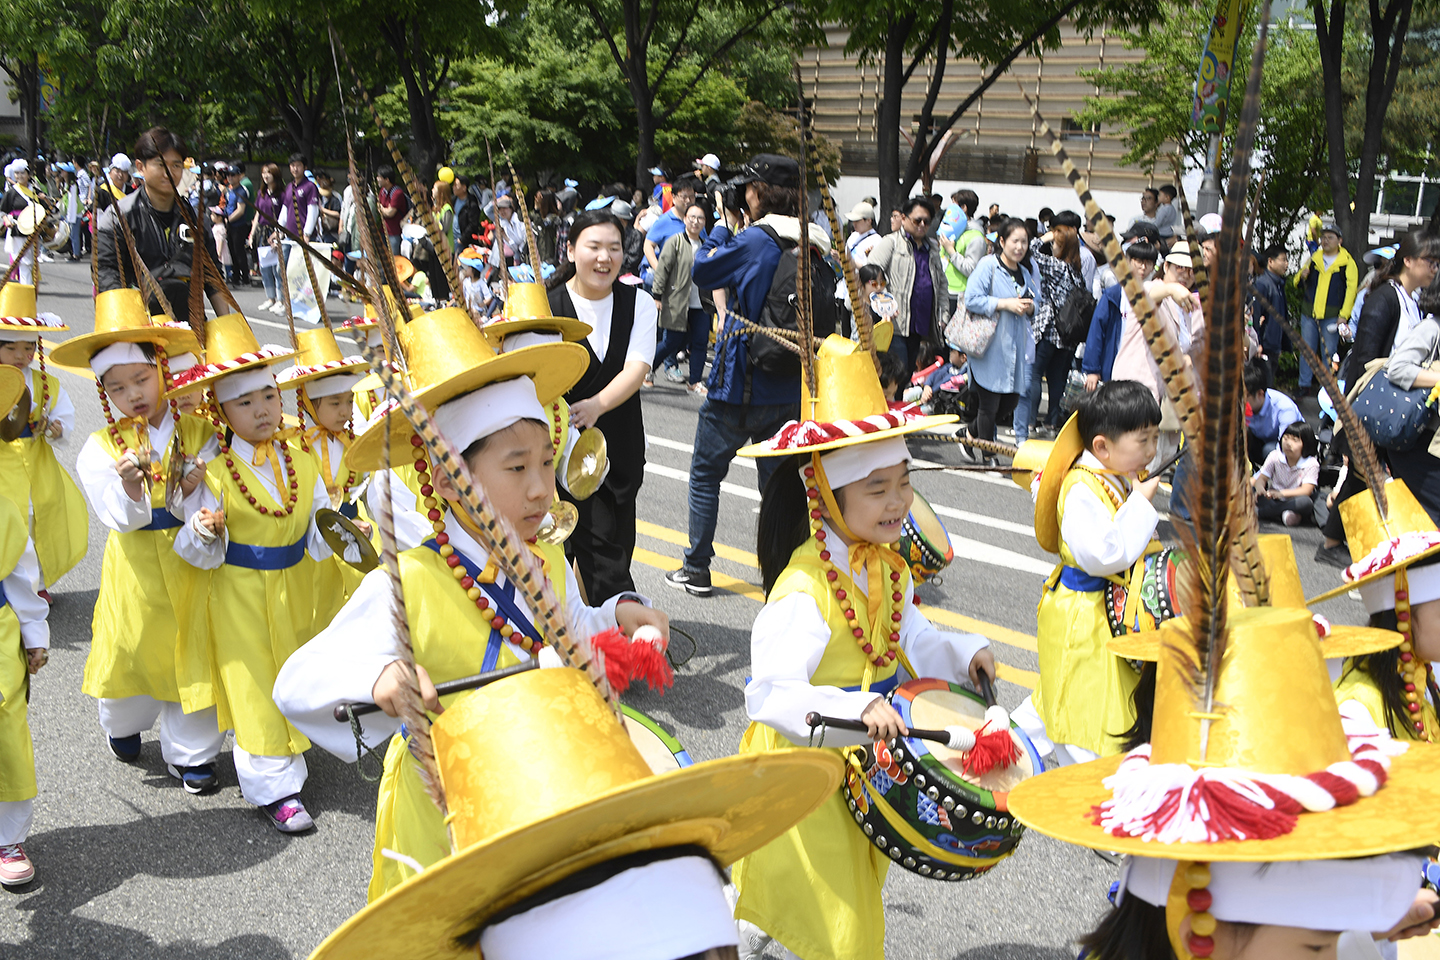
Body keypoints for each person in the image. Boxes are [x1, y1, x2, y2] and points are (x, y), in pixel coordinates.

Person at [274, 306, 676, 900]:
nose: (541, 487)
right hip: (445, 823)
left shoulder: (543, 560)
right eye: (516, 467)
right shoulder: (409, 581)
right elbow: (297, 681)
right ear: (444, 478)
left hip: (540, 795)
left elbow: (564, 634)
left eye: (545, 462)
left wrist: (616, 613)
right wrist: (383, 673)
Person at [731, 333, 992, 960]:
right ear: (826, 494)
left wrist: (962, 654)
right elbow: (768, 694)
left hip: (862, 761)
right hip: (804, 772)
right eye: (876, 489)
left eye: (904, 483)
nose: (899, 501)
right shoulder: (803, 589)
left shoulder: (888, 568)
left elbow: (912, 638)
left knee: (839, 898)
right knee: (846, 931)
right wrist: (853, 710)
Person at [52, 290, 224, 791]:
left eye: (142, 379)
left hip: (188, 555)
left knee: (193, 647)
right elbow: (116, 515)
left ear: (164, 372)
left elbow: (216, 493)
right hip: (135, 564)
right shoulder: (99, 447)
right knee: (132, 645)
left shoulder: (198, 431)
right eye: (118, 387)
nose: (134, 394)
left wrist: (193, 494)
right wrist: (131, 489)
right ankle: (122, 723)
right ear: (104, 392)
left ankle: (193, 752)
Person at [172, 314, 333, 832]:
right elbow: (190, 545)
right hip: (238, 593)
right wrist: (202, 528)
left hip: (293, 590)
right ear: (221, 411)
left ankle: (289, 755)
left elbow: (317, 519)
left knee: (289, 672)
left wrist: (335, 534)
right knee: (253, 681)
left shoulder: (302, 462)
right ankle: (273, 787)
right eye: (244, 402)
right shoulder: (214, 473)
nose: (261, 410)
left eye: (268, 395)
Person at [666, 153, 829, 597]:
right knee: (776, 485)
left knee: (705, 473)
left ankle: (697, 567)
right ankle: (781, 575)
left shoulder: (756, 240)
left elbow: (704, 268)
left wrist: (722, 221)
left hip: (740, 383)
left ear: (758, 193)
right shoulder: (815, 241)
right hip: (791, 384)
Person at [1026, 381, 1160, 765]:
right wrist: (1139, 504)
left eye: (1154, 439)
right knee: (1085, 708)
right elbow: (1104, 555)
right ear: (1102, 446)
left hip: (1104, 612)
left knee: (1099, 701)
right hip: (1083, 615)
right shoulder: (1082, 487)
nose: (1152, 451)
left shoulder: (1113, 473)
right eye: (1143, 441)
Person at [546, 210, 657, 600]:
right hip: (558, 450)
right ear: (572, 249)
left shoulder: (639, 302)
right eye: (594, 247)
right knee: (589, 554)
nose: (604, 258)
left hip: (620, 446)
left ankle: (592, 624)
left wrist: (596, 405)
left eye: (613, 248)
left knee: (616, 544)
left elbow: (637, 366)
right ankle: (623, 641)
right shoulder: (547, 304)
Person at [275, 327, 371, 628]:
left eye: (349, 402)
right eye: (334, 404)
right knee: (324, 610)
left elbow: (363, 485)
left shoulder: (354, 439)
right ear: (308, 404)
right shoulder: (295, 447)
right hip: (317, 536)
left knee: (363, 600)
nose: (345, 411)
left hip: (358, 525)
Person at [0, 284, 86, 601]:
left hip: (37, 464)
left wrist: (55, 428)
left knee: (39, 522)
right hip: (4, 467)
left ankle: (35, 584)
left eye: (28, 347)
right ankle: (8, 585)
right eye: (12, 348)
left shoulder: (46, 383)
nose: (22, 355)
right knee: (8, 523)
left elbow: (63, 417)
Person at [0, 365, 51, 888]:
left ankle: (5, 835)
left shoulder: (3, 506)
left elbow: (20, 568)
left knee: (5, 730)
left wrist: (33, 634)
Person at [96, 127, 227, 319]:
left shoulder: (196, 221)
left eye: (176, 165)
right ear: (140, 167)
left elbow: (213, 276)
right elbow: (106, 273)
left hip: (191, 329)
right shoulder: (118, 216)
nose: (169, 172)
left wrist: (229, 326)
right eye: (160, 164)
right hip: (139, 326)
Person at [963, 218, 1039, 444]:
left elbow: (1037, 301)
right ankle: (989, 458)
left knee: (1010, 403)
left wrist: (1030, 307)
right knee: (989, 405)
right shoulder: (988, 265)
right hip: (989, 347)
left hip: (1014, 349)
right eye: (1015, 241)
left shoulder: (1025, 272)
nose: (1020, 247)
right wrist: (1004, 304)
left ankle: (967, 433)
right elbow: (972, 299)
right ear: (1003, 241)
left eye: (1024, 242)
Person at [1021, 211, 1092, 439]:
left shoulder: (1055, 266)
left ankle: (1030, 422)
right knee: (1057, 379)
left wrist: (1045, 237)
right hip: (1068, 335)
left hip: (1049, 330)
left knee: (1034, 374)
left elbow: (1028, 252)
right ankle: (1052, 422)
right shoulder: (1076, 271)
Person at [864, 197, 948, 372]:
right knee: (894, 374)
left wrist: (944, 316)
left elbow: (941, 285)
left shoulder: (932, 248)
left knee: (908, 373)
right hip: (893, 326)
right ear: (904, 218)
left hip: (919, 326)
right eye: (917, 220)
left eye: (926, 221)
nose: (922, 225)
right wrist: (885, 303)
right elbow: (869, 272)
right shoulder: (891, 242)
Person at [1082, 241, 1158, 390]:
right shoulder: (1114, 296)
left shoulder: (1155, 296)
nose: (1143, 267)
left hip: (1143, 369)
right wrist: (1092, 369)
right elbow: (1097, 332)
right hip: (1114, 365)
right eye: (1139, 261)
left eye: (1149, 263)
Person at [651, 202, 710, 396]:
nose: (695, 221)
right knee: (671, 342)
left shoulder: (706, 245)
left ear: (704, 222)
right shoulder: (675, 241)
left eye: (700, 218)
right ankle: (647, 370)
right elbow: (662, 270)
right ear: (685, 219)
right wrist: (657, 296)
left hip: (700, 303)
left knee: (700, 342)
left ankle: (694, 382)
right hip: (677, 301)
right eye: (691, 217)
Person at [1297, 225, 1359, 393]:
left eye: (1330, 237)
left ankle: (1327, 388)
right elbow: (1297, 280)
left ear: (1340, 241)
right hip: (1309, 312)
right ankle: (1304, 385)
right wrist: (1302, 276)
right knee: (1306, 350)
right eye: (1323, 237)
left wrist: (1344, 315)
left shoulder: (1347, 263)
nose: (1325, 240)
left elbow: (1351, 291)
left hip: (1332, 315)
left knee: (1329, 354)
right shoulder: (1314, 257)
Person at [1250, 422, 1319, 527]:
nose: (1288, 443)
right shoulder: (1275, 456)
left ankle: (1263, 513)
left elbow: (1306, 490)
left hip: (1294, 499)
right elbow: (1262, 478)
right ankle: (1280, 513)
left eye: (1295, 440)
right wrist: (1260, 489)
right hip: (1272, 498)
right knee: (1252, 491)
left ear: (1306, 444)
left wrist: (1281, 493)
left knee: (1306, 502)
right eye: (1286, 438)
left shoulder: (1311, 463)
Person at [643, 177, 702, 285]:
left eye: (692, 196)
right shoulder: (664, 220)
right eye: (684, 197)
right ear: (673, 197)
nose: (688, 201)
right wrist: (660, 271)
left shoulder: (697, 221)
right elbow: (648, 245)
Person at [1243, 359, 1302, 464]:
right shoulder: (1243, 405)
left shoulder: (1284, 409)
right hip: (1260, 440)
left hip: (1287, 448)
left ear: (1260, 394)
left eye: (1245, 397)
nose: (1241, 401)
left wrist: (1258, 478)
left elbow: (1287, 446)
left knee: (1269, 450)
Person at [937, 188, 985, 309]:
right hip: (943, 291)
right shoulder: (951, 230)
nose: (949, 209)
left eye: (954, 205)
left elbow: (971, 269)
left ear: (964, 208)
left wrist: (951, 252)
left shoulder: (975, 236)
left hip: (959, 296)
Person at [248, 162, 285, 313]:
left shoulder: (282, 194)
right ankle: (271, 298)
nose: (265, 176)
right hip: (262, 232)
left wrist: (279, 235)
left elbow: (284, 215)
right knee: (264, 268)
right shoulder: (261, 193)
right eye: (263, 173)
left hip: (275, 232)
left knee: (277, 268)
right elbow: (257, 214)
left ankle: (281, 299)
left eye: (268, 172)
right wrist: (252, 233)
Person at [1250, 243, 1289, 382]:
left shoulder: (1278, 284)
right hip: (1264, 345)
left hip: (1273, 345)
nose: (1286, 263)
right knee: (1264, 384)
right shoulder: (1263, 283)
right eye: (1283, 259)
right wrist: (1258, 342)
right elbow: (1256, 314)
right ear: (1270, 261)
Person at [0, 160, 43, 285]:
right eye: (17, 173)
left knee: (31, 260)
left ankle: (29, 286)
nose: (19, 176)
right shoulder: (12, 192)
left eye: (22, 173)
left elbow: (45, 208)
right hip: (18, 229)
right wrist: (6, 220)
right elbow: (3, 210)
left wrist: (45, 199)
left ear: (28, 174)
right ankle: (26, 286)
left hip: (33, 229)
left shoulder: (35, 191)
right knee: (24, 261)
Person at [281, 153, 320, 249]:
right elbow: (285, 209)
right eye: (293, 165)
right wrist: (278, 230)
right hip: (289, 236)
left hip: (305, 237)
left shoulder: (310, 186)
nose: (295, 169)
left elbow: (313, 211)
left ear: (305, 167)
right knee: (283, 264)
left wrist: (307, 233)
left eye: (298, 165)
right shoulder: (289, 187)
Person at [376, 165, 408, 255]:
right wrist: (384, 209)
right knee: (385, 258)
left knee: (395, 260)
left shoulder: (397, 193)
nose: (377, 179)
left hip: (394, 233)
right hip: (384, 231)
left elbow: (390, 213)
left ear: (387, 179)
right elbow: (379, 207)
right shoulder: (382, 191)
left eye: (379, 177)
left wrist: (382, 208)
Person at [843, 201, 879, 269]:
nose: (854, 224)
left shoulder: (876, 240)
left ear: (869, 221)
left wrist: (850, 262)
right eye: (853, 221)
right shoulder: (853, 236)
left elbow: (872, 270)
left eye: (857, 220)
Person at [315, 170, 341, 245]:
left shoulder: (335, 199)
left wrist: (323, 210)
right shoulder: (320, 198)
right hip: (322, 230)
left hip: (332, 231)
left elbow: (338, 213)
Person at [1153, 183, 1179, 249]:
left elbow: (1157, 222)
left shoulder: (1164, 209)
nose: (1158, 197)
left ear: (1167, 198)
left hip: (1161, 234)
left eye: (1160, 195)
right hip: (1170, 233)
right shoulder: (1173, 209)